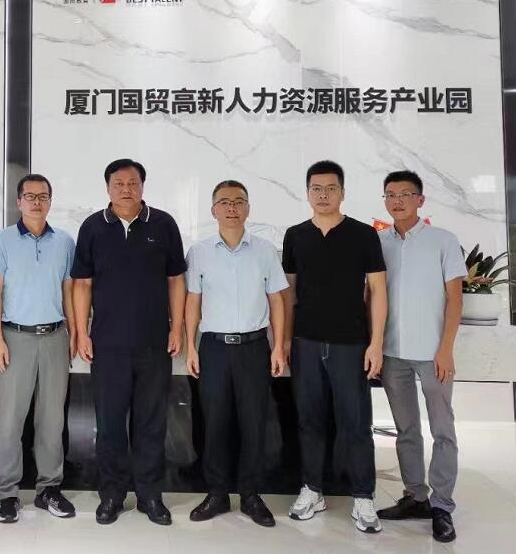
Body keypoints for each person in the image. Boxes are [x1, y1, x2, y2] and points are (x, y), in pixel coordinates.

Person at [71, 159, 186, 526]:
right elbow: (82, 284)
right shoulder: (93, 227)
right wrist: (82, 331)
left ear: (142, 186)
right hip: (107, 345)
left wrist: (177, 327)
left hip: (154, 343)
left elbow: (176, 280)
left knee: (151, 423)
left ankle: (150, 495)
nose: (126, 189)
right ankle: (112, 495)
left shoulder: (163, 224)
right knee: (109, 423)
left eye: (132, 182)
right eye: (118, 183)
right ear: (108, 188)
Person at [281, 160, 387, 533]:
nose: (323, 195)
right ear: (307, 192)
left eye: (330, 188)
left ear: (342, 192)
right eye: (316, 188)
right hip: (306, 343)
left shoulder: (363, 235)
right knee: (309, 420)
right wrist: (285, 341)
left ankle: (363, 496)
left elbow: (378, 290)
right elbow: (289, 293)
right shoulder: (295, 235)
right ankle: (312, 489)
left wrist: (376, 343)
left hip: (350, 344)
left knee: (356, 422)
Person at [184, 180, 288, 527]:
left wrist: (279, 346)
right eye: (225, 202)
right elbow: (193, 301)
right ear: (213, 210)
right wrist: (191, 346)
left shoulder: (265, 251)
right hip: (214, 348)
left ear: (248, 208)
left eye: (239, 201)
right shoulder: (199, 252)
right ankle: (216, 493)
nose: (232, 207)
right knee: (214, 423)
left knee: (253, 422)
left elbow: (277, 300)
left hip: (254, 348)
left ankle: (250, 494)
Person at [375, 170, 466, 544]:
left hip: (433, 354)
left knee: (442, 430)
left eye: (405, 194)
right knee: (406, 430)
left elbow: (455, 299)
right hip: (392, 353)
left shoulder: (443, 240)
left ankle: (442, 505)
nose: (397, 201)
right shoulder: (378, 242)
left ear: (420, 200)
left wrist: (446, 348)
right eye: (390, 195)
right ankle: (415, 496)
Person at [0, 174, 77, 524]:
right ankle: (6, 494)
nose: (37, 202)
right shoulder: (2, 240)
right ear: (19, 202)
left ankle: (48, 489)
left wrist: (74, 333)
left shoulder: (64, 242)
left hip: (54, 337)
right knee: (10, 421)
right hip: (14, 338)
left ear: (50, 201)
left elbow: (68, 291)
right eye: (30, 196)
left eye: (43, 196)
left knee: (52, 420)